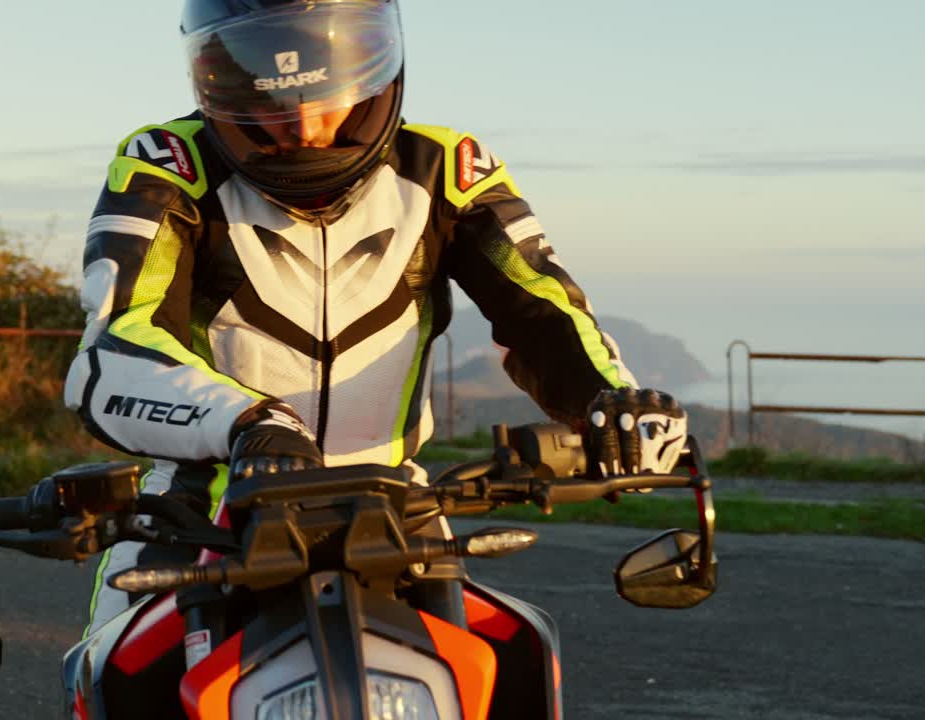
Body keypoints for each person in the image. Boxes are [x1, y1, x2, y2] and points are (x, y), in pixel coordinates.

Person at [64, 0, 689, 636]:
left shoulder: (448, 168)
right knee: (117, 668)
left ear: (373, 62)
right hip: (200, 511)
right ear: (220, 75)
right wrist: (252, 424)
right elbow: (115, 346)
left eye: (327, 87)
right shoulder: (167, 164)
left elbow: (541, 310)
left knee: (519, 652)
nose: (303, 123)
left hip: (399, 510)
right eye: (272, 95)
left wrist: (613, 403)